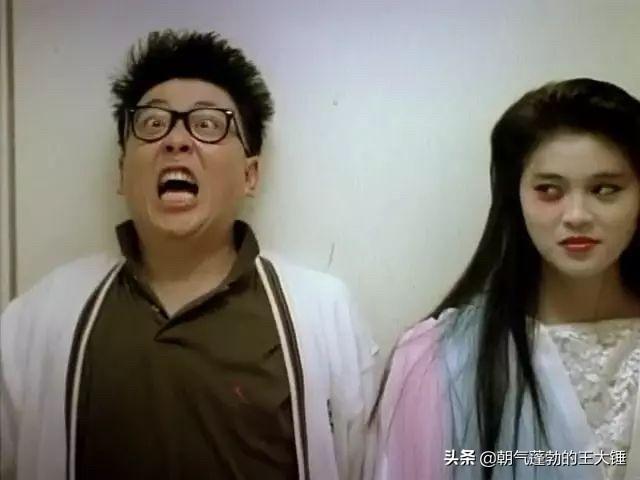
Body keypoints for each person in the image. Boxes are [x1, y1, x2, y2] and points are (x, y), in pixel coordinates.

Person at [0, 29, 378, 480]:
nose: (176, 141)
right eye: (152, 123)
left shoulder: (325, 315)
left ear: (250, 174)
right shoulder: (37, 322)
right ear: (122, 171)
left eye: (208, 124)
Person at [374, 78, 640, 480]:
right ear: (516, 197)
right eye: (549, 190)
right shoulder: (437, 362)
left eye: (605, 189)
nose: (577, 215)